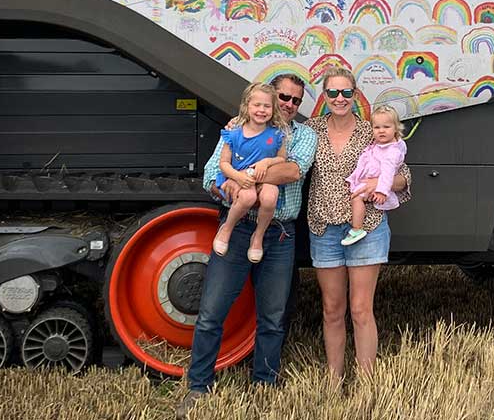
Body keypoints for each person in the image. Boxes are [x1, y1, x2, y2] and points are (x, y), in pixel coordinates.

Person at [176, 74, 317, 419]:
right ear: (268, 96)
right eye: (283, 97)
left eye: (296, 101)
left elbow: (293, 172)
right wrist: (224, 184)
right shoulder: (237, 128)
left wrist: (239, 174)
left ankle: (264, 384)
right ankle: (198, 387)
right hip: (238, 230)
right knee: (211, 313)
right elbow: (211, 174)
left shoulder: (304, 135)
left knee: (273, 316)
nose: (288, 105)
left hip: (279, 233)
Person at [304, 66, 411, 381]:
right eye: (333, 92)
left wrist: (380, 182)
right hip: (324, 227)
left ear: (355, 95)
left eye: (346, 92)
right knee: (331, 310)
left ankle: (366, 381)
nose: (340, 98)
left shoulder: (372, 130)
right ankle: (335, 380)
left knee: (361, 309)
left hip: (367, 228)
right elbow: (277, 135)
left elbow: (405, 177)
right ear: (324, 96)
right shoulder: (311, 130)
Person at [213, 82, 290, 263]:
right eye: (257, 105)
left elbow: (282, 159)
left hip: (264, 179)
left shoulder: (276, 134)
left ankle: (258, 236)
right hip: (240, 178)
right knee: (247, 198)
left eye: (267, 106)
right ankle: (227, 228)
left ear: (273, 109)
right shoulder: (234, 133)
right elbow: (223, 163)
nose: (261, 110)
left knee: (271, 196)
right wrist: (237, 177)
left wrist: (267, 161)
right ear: (247, 106)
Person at [342, 105, 408, 246]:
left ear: (396, 128)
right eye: (377, 128)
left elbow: (388, 173)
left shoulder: (392, 152)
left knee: (356, 199)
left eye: (386, 127)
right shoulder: (380, 145)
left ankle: (357, 229)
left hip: (375, 186)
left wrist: (381, 190)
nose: (381, 131)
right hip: (369, 180)